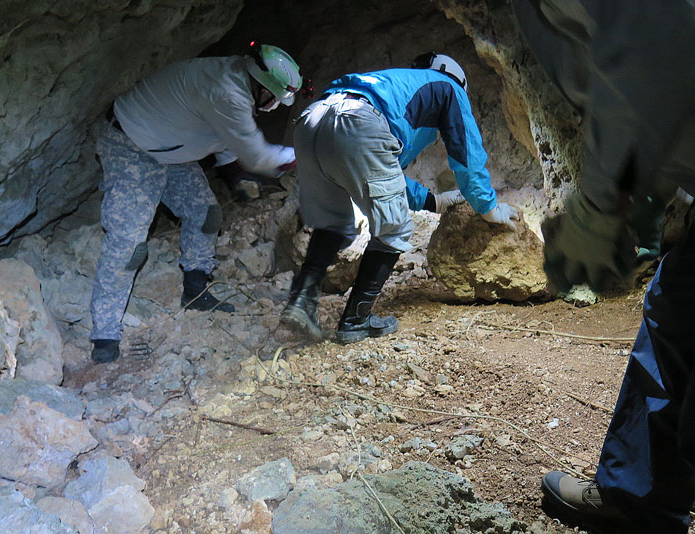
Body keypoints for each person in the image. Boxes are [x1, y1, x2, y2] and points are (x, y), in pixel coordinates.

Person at [512, 1, 695, 532]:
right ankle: (636, 498)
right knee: (677, 311)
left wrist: (600, 205)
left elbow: (672, 38)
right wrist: (632, 199)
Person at [281, 53, 519, 344]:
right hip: (357, 123)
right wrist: (488, 207)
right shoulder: (449, 87)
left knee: (333, 223)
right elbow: (466, 153)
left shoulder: (395, 86)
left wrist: (434, 202)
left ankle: (302, 303)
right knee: (395, 227)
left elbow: (384, 175)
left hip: (312, 120)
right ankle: (356, 320)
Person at [90, 42, 304, 364]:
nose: (276, 106)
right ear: (263, 87)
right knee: (129, 244)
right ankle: (104, 332)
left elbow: (219, 132)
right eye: (275, 98)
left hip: (168, 149)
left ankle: (196, 291)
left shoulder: (237, 76)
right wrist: (304, 157)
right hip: (130, 143)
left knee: (206, 214)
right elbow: (258, 155)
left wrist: (233, 174)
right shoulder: (227, 92)